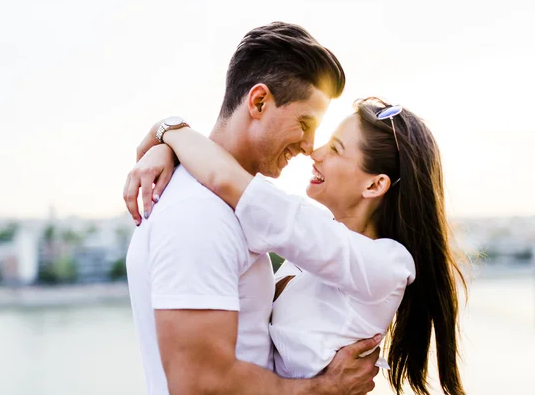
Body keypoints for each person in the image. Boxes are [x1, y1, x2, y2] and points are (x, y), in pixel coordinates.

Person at [126, 97, 467, 395]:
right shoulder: (306, 256)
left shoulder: (386, 266)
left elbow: (226, 180)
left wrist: (168, 130)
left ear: (375, 185)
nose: (314, 152)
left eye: (335, 149)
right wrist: (165, 144)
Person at [124, 22, 382, 395]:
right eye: (305, 124)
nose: (310, 146)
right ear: (259, 102)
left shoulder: (218, 203)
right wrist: (324, 388)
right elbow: (199, 383)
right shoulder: (200, 215)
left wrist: (168, 133)